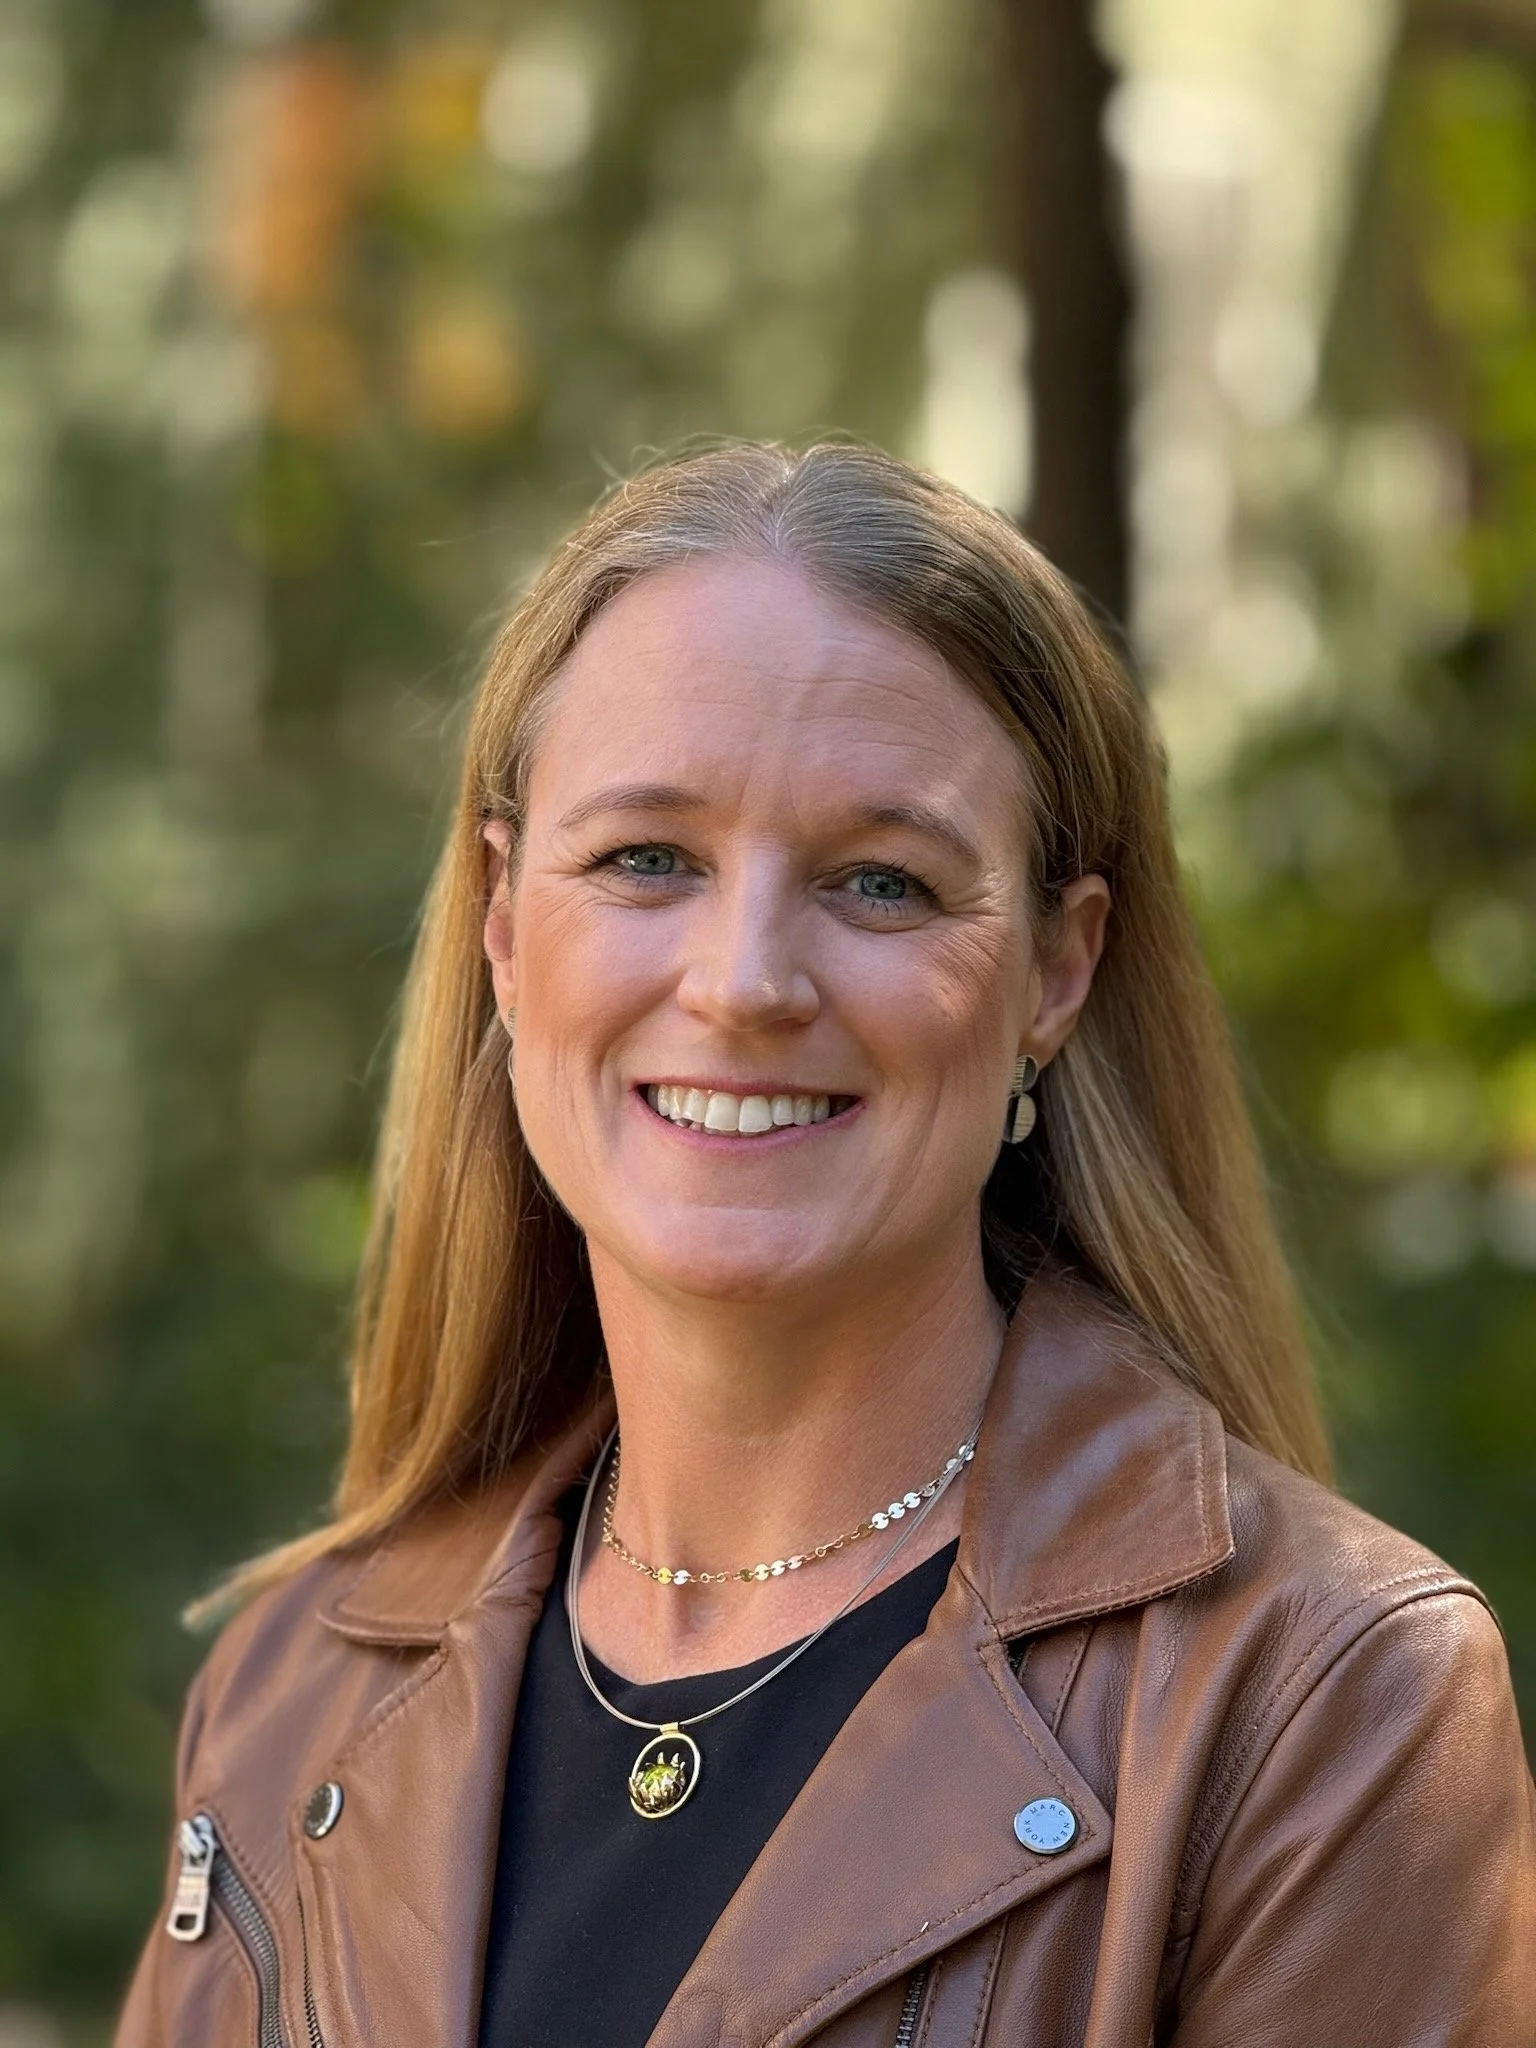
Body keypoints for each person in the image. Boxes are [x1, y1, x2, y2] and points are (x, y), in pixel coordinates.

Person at [117, 443, 1534, 2048]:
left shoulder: (1317, 1704)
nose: (744, 982)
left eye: (882, 882)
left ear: (1057, 975)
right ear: (509, 928)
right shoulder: (294, 1684)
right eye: (648, 858)